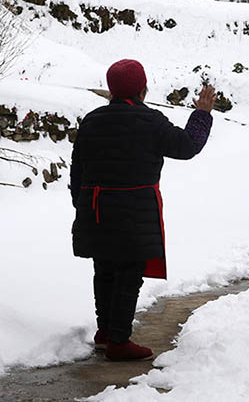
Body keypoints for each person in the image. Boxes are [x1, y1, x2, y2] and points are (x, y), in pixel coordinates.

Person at [70, 59, 215, 361]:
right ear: (141, 89)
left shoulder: (92, 120)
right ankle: (119, 342)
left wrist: (82, 204)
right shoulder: (150, 121)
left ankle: (105, 333)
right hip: (134, 210)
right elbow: (188, 146)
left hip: (95, 208)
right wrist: (202, 114)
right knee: (128, 273)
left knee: (104, 269)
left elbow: (77, 170)